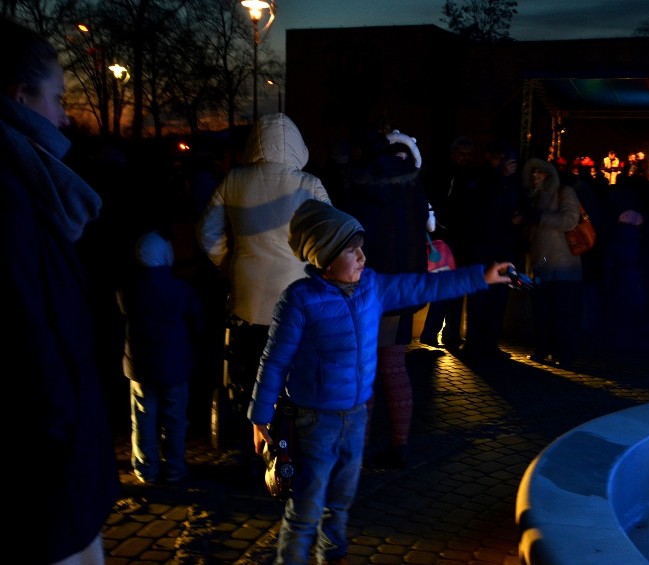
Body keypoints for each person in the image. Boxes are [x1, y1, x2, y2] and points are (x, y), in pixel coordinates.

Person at [248, 199, 513, 565]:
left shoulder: (373, 287)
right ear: (324, 258)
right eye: (350, 250)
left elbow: (422, 287)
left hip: (356, 415)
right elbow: (274, 361)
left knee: (342, 497)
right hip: (315, 421)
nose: (361, 257)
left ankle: (332, 554)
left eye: (361, 247)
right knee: (308, 502)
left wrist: (481, 276)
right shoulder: (299, 300)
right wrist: (260, 416)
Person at [1, 17, 120, 564]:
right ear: (20, 96)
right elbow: (26, 331)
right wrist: (63, 428)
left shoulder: (30, 181)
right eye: (56, 96)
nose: (65, 114)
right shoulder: (12, 188)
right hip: (42, 466)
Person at [196, 113, 330, 461]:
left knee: (248, 379)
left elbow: (207, 233)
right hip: (295, 301)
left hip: (246, 299)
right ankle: (289, 456)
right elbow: (329, 240)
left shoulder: (234, 180)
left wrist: (231, 262)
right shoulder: (308, 184)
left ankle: (251, 452)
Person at [338, 125, 429, 468]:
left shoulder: (361, 185)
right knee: (394, 367)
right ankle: (399, 444)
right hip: (402, 289)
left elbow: (351, 237)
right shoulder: (412, 183)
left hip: (368, 290)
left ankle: (359, 448)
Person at [117, 229, 205, 485]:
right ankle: (175, 468)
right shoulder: (181, 289)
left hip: (140, 367)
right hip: (175, 365)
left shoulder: (128, 289)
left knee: (143, 418)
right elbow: (197, 322)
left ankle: (146, 469)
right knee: (175, 419)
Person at [459, 138, 526, 364]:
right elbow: (483, 210)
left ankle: (489, 343)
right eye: (502, 158)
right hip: (483, 248)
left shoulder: (508, 181)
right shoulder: (483, 178)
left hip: (500, 248)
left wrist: (517, 217)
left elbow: (511, 205)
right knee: (481, 298)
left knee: (497, 298)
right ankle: (476, 344)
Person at [419, 135, 479, 351]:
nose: (465, 158)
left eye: (467, 154)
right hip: (450, 239)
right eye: (462, 154)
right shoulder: (448, 177)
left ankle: (446, 332)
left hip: (457, 239)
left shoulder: (459, 176)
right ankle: (437, 332)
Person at [522, 157, 583, 366]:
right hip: (542, 262)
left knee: (562, 312)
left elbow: (570, 220)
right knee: (542, 311)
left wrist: (540, 217)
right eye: (531, 171)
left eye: (539, 171)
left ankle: (564, 354)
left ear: (549, 173)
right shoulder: (532, 197)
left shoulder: (564, 192)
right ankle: (543, 349)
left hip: (563, 264)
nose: (534, 175)